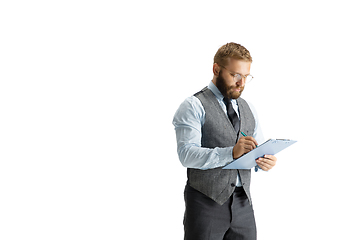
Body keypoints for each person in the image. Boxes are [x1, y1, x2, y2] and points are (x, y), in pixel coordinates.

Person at [172, 42, 278, 240]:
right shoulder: (193, 105)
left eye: (246, 76)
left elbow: (259, 148)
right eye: (235, 75)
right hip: (206, 202)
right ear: (216, 69)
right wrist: (230, 153)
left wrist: (265, 161)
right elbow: (186, 154)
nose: (241, 83)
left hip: (243, 204)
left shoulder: (248, 107)